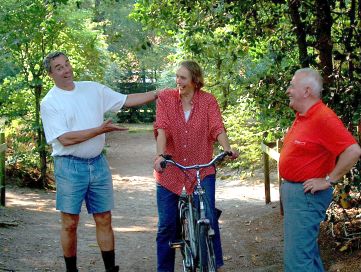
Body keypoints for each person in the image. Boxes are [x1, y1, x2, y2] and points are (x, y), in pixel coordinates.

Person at [40, 51, 159, 272]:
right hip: (68, 166)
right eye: (59, 67)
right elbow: (65, 139)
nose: (66, 70)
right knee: (70, 224)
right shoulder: (50, 102)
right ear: (50, 74)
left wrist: (157, 93)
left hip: (97, 163)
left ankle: (110, 269)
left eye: (67, 64)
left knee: (104, 218)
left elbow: (125, 100)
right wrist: (100, 130)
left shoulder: (92, 89)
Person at [153, 60, 238, 272]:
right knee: (166, 227)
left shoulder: (208, 101)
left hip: (202, 167)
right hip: (171, 167)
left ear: (195, 80)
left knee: (208, 216)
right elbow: (162, 128)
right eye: (177, 77)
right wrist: (160, 156)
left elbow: (217, 127)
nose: (178, 81)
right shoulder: (166, 98)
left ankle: (216, 265)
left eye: (183, 77)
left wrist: (227, 148)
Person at [279, 68, 361, 271]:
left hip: (306, 196)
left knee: (297, 262)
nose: (288, 90)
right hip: (297, 195)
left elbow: (353, 150)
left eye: (292, 85)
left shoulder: (323, 117)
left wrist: (328, 179)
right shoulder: (304, 115)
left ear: (307, 91)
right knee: (307, 256)